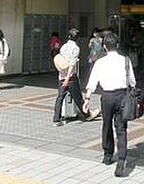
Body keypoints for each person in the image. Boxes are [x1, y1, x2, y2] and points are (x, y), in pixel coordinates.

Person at [83, 32, 136, 178]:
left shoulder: (100, 62)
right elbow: (132, 82)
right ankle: (122, 158)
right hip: (122, 96)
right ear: (117, 45)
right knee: (121, 128)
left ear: (104, 46)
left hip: (107, 97)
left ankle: (107, 155)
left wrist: (87, 99)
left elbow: (92, 82)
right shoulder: (126, 61)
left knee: (106, 125)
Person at [53, 28, 91, 125]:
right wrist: (68, 78)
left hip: (61, 76)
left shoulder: (63, 47)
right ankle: (87, 115)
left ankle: (56, 119)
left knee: (60, 98)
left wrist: (64, 77)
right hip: (70, 78)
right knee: (78, 98)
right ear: (77, 38)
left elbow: (61, 61)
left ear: (69, 36)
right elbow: (71, 64)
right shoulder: (76, 48)